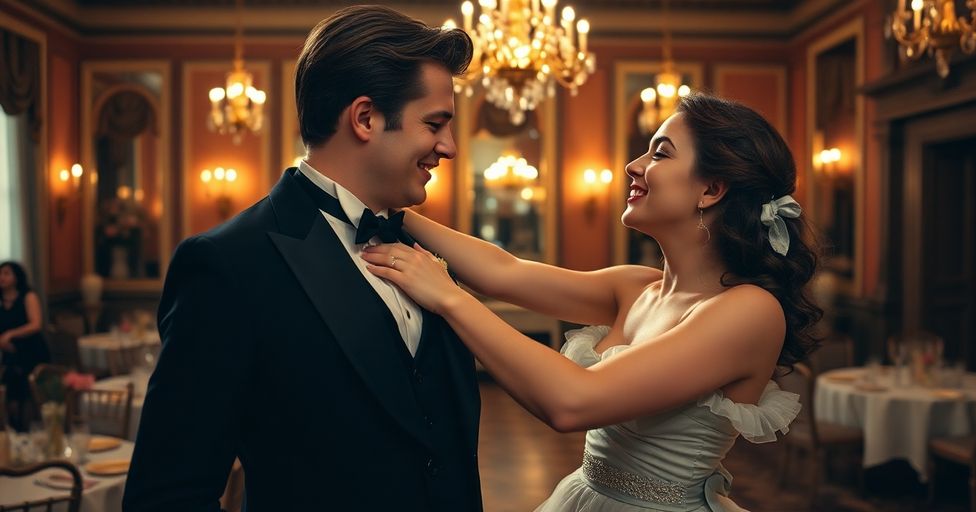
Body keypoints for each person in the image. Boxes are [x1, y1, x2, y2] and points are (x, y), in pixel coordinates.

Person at [363, 93, 822, 511]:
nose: (633, 165)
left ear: (711, 190)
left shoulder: (749, 311)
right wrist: (391, 209)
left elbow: (573, 402)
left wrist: (447, 296)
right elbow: (504, 272)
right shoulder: (636, 287)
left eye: (660, 153)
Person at [123, 7, 481, 510]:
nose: (449, 147)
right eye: (435, 124)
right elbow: (167, 495)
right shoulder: (227, 265)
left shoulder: (427, 249)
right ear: (365, 118)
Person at [0, 261, 50, 432]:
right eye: (0, 274)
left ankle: (32, 427)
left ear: (16, 276)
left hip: (31, 351)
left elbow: (35, 324)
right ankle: (15, 429)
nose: (2, 277)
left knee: (29, 392)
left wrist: (11, 334)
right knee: (11, 393)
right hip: (9, 354)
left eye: (7, 273)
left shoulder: (28, 296)